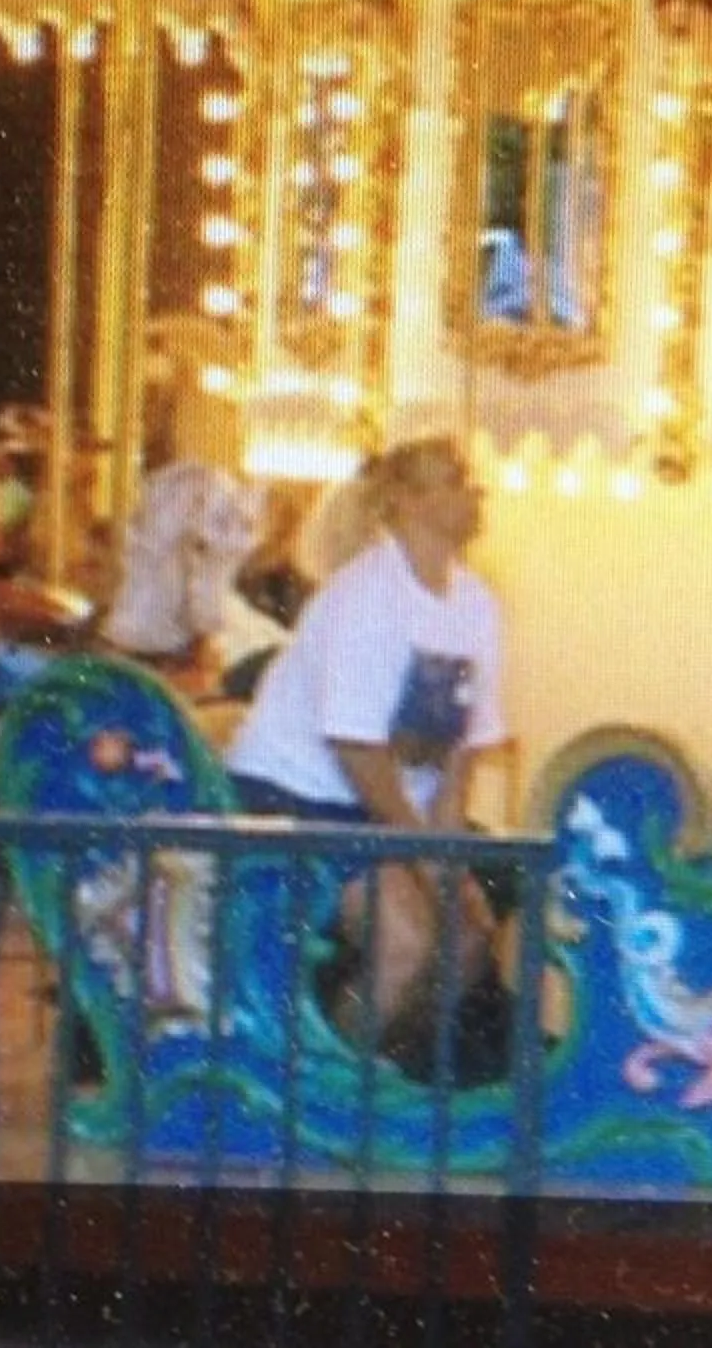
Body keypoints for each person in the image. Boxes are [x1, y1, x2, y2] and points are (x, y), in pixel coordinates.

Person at [225, 437, 509, 1038]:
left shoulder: (477, 605)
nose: (475, 492)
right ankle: (319, 1095)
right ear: (408, 500)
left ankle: (395, 1081)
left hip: (376, 809)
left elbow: (459, 758)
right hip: (297, 797)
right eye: (456, 480)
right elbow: (358, 751)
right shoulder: (363, 596)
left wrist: (447, 858)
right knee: (406, 944)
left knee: (466, 943)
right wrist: (426, 857)